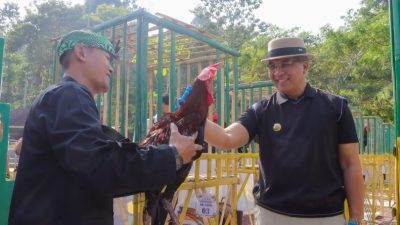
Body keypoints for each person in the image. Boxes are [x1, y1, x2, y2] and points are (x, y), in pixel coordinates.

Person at [8, 30, 202, 225]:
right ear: (81, 52)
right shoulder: (68, 95)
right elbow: (100, 164)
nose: (111, 68)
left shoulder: (61, 97)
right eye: (107, 58)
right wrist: (172, 156)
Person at [204, 37, 365, 225]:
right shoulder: (261, 110)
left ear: (304, 67)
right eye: (272, 66)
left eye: (285, 64)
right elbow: (227, 139)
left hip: (326, 216)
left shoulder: (336, 107)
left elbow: (350, 163)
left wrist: (357, 218)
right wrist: (194, 116)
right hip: (272, 214)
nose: (278, 72)